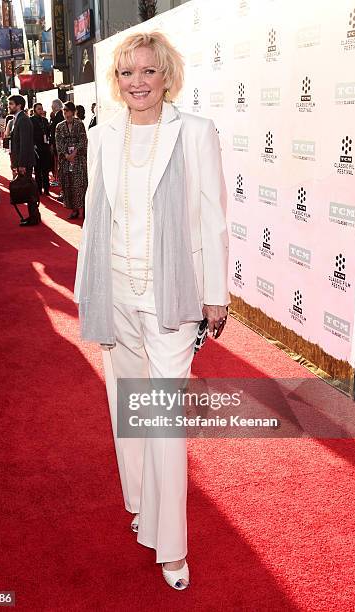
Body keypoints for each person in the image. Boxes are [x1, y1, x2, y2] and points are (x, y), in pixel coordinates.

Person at [73, 31, 229, 590]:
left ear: (166, 75)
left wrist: (216, 294)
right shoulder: (102, 137)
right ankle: (141, 506)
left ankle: (173, 545)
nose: (136, 83)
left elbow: (212, 218)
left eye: (147, 71)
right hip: (117, 294)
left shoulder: (195, 134)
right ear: (115, 82)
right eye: (126, 73)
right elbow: (97, 219)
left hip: (172, 299)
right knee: (129, 413)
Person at [8, 94, 40, 227]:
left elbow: (25, 144)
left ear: (19, 105)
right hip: (23, 161)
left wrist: (21, 164)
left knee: (28, 189)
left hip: (25, 162)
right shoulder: (19, 119)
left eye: (11, 104)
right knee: (28, 189)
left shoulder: (23, 120)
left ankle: (34, 217)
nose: (9, 106)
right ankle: (34, 216)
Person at [55, 101, 87, 219]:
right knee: (68, 184)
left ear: (73, 112)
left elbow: (83, 139)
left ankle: (84, 208)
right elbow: (58, 142)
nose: (65, 113)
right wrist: (65, 154)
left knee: (80, 183)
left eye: (67, 110)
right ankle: (74, 209)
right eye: (64, 110)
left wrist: (75, 152)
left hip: (78, 158)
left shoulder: (79, 124)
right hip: (65, 160)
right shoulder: (60, 126)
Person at [30, 102, 51, 196]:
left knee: (45, 170)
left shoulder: (45, 120)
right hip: (36, 148)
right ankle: (39, 189)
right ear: (34, 110)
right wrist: (33, 145)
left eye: (41, 108)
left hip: (45, 147)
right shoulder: (30, 120)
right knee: (38, 170)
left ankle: (46, 189)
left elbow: (48, 132)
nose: (41, 110)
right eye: (38, 109)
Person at [49, 99, 64, 190]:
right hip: (57, 143)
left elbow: (54, 130)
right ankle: (57, 178)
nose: (51, 107)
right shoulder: (57, 115)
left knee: (57, 161)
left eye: (52, 105)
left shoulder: (59, 116)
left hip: (57, 143)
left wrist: (52, 143)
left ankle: (57, 179)